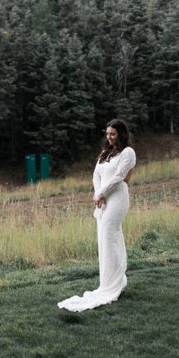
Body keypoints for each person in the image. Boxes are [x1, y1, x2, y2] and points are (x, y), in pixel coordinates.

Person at [58, 118, 136, 312]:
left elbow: (118, 177)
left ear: (121, 134)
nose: (109, 137)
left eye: (113, 134)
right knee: (104, 240)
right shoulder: (105, 152)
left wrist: (102, 193)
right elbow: (96, 175)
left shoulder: (128, 152)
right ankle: (112, 281)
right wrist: (97, 193)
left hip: (117, 198)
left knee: (110, 236)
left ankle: (114, 285)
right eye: (107, 133)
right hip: (102, 199)